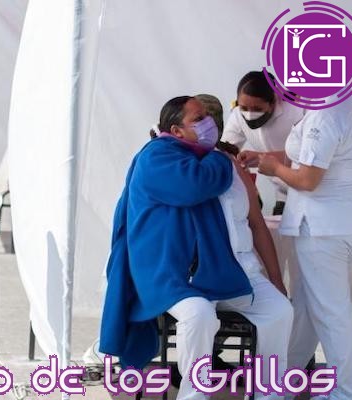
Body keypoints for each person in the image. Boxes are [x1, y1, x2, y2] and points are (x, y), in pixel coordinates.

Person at [100, 96, 292, 400]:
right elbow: (193, 185)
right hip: (168, 273)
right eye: (199, 118)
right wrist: (221, 158)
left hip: (222, 269)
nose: (209, 123)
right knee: (199, 315)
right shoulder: (158, 157)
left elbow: (254, 221)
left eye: (209, 116)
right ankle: (194, 395)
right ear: (176, 131)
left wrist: (276, 280)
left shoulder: (210, 161)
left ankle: (270, 394)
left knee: (280, 310)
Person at [258, 94, 352, 400]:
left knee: (330, 314)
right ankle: (281, 386)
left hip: (323, 229)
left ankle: (344, 393)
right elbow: (312, 155)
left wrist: (274, 168)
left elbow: (308, 179)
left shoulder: (325, 113)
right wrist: (267, 157)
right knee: (308, 309)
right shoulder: (346, 100)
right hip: (342, 222)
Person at [223, 71, 305, 215]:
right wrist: (235, 160)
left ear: (273, 102)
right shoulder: (237, 115)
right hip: (283, 195)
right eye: (244, 108)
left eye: (258, 109)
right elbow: (226, 149)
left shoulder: (298, 110)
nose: (249, 114)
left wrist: (262, 158)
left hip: (311, 192)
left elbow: (310, 156)